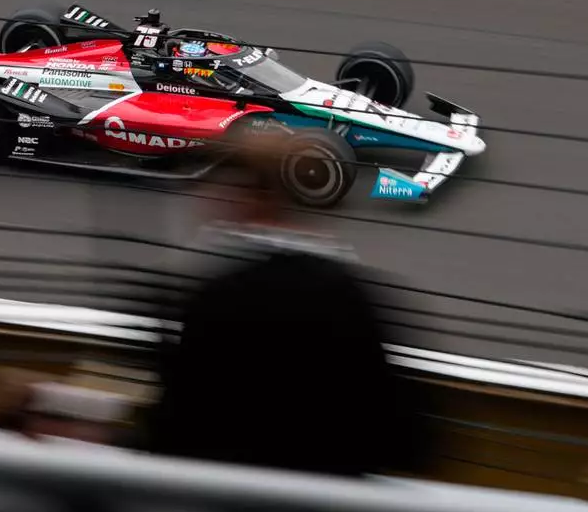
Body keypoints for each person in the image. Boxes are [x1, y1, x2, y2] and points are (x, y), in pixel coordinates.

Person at [140, 134, 439, 477]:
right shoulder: (355, 290)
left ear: (249, 196)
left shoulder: (216, 295)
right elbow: (408, 438)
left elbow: (178, 429)